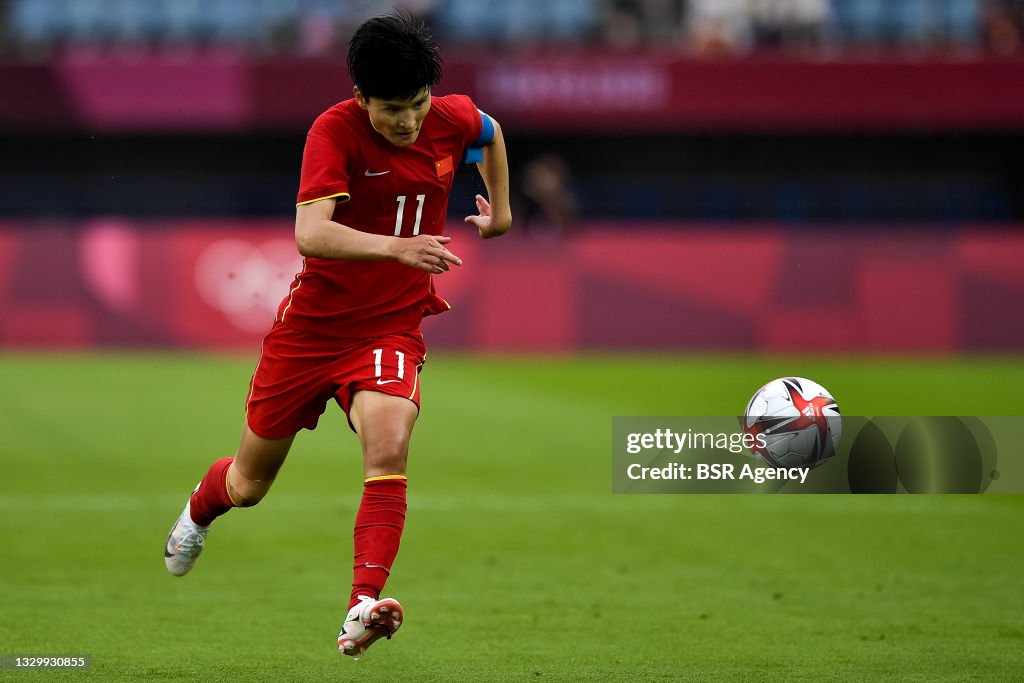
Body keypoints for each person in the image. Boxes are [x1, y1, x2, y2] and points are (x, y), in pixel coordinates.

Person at [162, 11, 511, 660]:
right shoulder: (334, 130)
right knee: (248, 483)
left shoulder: (450, 116)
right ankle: (198, 512)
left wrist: (502, 213)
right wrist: (397, 248)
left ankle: (362, 604)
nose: (407, 121)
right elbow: (311, 232)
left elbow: (490, 134)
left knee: (390, 443)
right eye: (390, 109)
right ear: (361, 98)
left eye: (416, 105)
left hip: (391, 325)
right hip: (312, 332)